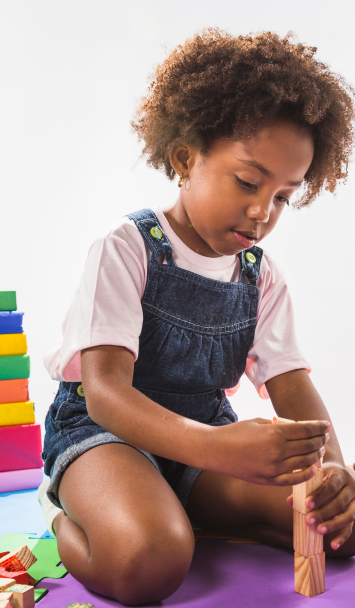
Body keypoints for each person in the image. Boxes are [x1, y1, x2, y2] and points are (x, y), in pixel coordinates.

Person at [38, 27, 355, 606]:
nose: (263, 211)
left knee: (339, 525)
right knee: (149, 562)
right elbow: (106, 392)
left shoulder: (263, 277)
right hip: (103, 434)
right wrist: (219, 449)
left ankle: (191, 508)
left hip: (205, 444)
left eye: (284, 196)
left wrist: (332, 470)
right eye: (248, 181)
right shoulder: (126, 249)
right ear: (186, 158)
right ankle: (64, 517)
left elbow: (292, 387)